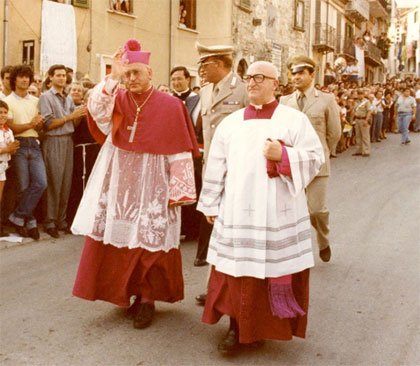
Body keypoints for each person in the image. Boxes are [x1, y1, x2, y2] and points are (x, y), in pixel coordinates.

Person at [197, 61, 324, 355]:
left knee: (269, 271)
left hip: (278, 210)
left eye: (259, 78)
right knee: (236, 272)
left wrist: (284, 155)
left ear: (275, 85)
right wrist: (210, 203)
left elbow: (315, 158)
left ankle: (263, 328)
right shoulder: (231, 122)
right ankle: (235, 327)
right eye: (248, 78)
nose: (252, 82)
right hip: (238, 210)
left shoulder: (294, 120)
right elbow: (216, 165)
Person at [71, 39, 200, 330]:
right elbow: (96, 108)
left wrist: (179, 189)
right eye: (127, 74)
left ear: (150, 73)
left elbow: (180, 150)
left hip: (154, 180)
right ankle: (126, 293)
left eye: (136, 73)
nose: (131, 79)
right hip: (120, 178)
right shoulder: (117, 98)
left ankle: (147, 299)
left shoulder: (171, 104)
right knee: (122, 238)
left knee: (150, 242)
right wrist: (113, 75)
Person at [194, 42, 248, 303]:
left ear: (218, 64)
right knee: (214, 229)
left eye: (204, 64)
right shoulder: (205, 91)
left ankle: (233, 288)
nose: (201, 69)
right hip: (212, 170)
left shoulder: (245, 89)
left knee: (232, 231)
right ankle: (214, 287)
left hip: (237, 171)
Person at [280, 55, 341, 262]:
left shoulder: (326, 99)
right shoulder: (285, 101)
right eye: (293, 73)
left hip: (317, 165)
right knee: (291, 211)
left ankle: (323, 239)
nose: (295, 77)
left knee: (315, 210)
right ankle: (296, 251)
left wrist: (322, 152)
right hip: (292, 164)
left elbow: (334, 133)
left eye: (300, 73)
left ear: (311, 75)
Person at [39, 64, 86, 238]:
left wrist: (80, 116)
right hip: (54, 140)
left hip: (68, 140)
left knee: (66, 182)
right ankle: (50, 220)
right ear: (50, 78)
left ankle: (62, 220)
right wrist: (70, 117)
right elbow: (48, 124)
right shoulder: (45, 97)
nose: (61, 78)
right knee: (53, 181)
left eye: (63, 75)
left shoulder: (67, 98)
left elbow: (72, 124)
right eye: (57, 75)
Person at [4, 65, 47, 240]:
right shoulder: (8, 101)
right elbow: (11, 126)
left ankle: (18, 216)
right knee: (23, 186)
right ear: (14, 79)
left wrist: (38, 124)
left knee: (40, 183)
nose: (24, 80)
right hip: (19, 144)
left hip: (34, 144)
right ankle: (29, 222)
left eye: (27, 77)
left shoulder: (35, 101)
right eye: (21, 77)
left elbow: (40, 125)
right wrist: (30, 124)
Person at [170, 66, 203, 245]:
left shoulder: (197, 100)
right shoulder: (168, 100)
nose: (176, 82)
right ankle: (178, 227)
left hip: (192, 149)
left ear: (188, 80)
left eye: (179, 79)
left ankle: (192, 229)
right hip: (173, 149)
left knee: (193, 187)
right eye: (173, 79)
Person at [67, 84, 100, 224]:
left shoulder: (98, 111)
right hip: (83, 151)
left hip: (96, 150)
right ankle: (75, 219)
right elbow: (73, 129)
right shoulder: (81, 110)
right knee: (81, 183)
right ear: (86, 98)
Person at [0, 100, 19, 237]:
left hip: (3, 165)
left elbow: (11, 151)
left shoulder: (8, 131)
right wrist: (7, 149)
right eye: (0, 112)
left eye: (5, 112)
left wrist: (13, 148)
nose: (3, 115)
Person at [351, 89, 372, 156]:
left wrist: (366, 120)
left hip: (363, 119)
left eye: (361, 94)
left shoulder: (366, 102)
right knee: (358, 135)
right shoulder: (356, 102)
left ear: (363, 94)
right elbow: (354, 111)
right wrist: (352, 119)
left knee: (365, 136)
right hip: (357, 119)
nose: (360, 95)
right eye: (358, 94)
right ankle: (358, 150)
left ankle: (366, 151)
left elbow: (369, 111)